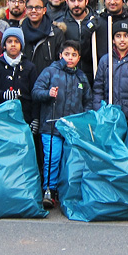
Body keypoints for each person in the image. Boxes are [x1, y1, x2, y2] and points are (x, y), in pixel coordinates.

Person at [32, 40, 93, 208]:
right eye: (67, 54)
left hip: (73, 128)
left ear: (79, 58)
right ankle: (48, 190)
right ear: (60, 55)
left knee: (71, 161)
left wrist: (84, 119)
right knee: (52, 158)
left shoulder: (81, 77)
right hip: (51, 126)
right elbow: (35, 92)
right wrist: (47, 93)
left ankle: (67, 192)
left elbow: (88, 100)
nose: (70, 58)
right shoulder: (50, 72)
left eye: (74, 55)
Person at [92, 20, 128, 119]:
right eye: (118, 36)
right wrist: (99, 111)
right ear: (113, 40)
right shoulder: (105, 60)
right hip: (108, 114)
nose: (122, 39)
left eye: (126, 36)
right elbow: (98, 89)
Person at [0, 27, 38, 124]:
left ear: (21, 45)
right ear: (4, 45)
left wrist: (35, 118)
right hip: (1, 118)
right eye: (9, 41)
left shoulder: (30, 67)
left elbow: (34, 94)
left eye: (17, 41)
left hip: (23, 117)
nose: (13, 44)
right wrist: (2, 94)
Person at [60, 0, 100, 82]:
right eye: (72, 0)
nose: (76, 4)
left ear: (86, 1)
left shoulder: (97, 22)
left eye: (80, 0)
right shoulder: (60, 23)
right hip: (67, 79)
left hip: (92, 78)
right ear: (66, 0)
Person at [21, 0, 67, 76]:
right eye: (30, 7)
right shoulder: (19, 32)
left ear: (44, 10)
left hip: (47, 83)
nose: (34, 11)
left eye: (38, 8)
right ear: (26, 10)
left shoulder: (55, 33)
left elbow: (61, 63)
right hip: (24, 82)